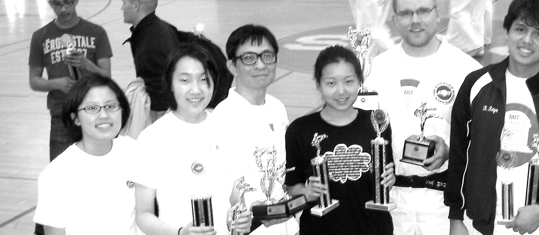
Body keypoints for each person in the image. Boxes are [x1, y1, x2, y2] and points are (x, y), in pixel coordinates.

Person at [446, 0, 539, 235]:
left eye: (538, 34)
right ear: (507, 32)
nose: (527, 40)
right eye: (520, 29)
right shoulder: (477, 85)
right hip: (482, 226)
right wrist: (456, 217)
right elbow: (459, 155)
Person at [366, 0, 481, 235]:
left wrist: (450, 150)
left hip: (442, 204)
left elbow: (483, 140)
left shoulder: (467, 71)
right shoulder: (375, 70)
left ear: (438, 14)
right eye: (405, 13)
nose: (415, 20)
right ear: (394, 19)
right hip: (388, 201)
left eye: (423, 11)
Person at [131, 44, 252, 235]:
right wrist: (180, 233)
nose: (196, 89)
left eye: (204, 79)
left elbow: (237, 197)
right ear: (170, 83)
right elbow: (144, 215)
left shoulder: (229, 130)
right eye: (185, 80)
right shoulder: (152, 137)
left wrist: (240, 216)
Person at [284, 45, 396, 235]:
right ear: (318, 84)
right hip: (320, 229)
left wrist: (389, 179)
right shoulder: (300, 130)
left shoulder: (376, 123)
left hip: (373, 228)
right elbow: (292, 185)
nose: (341, 91)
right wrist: (307, 192)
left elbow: (385, 177)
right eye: (331, 83)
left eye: (349, 81)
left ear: (360, 81)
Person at [212, 25, 297, 235]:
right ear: (232, 66)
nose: (260, 64)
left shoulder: (277, 107)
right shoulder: (223, 117)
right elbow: (221, 184)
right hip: (250, 228)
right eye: (249, 58)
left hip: (285, 225)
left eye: (267, 56)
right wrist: (253, 213)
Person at [33, 74, 138, 235]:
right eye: (92, 108)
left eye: (110, 106)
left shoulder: (133, 151)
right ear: (76, 118)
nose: (104, 115)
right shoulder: (55, 175)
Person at [28, 0, 112, 161]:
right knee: (59, 174)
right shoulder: (40, 37)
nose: (63, 9)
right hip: (61, 113)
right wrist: (57, 83)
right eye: (57, 4)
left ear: (76, 0)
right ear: (50, 4)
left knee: (98, 169)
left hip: (94, 111)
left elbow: (107, 76)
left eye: (68, 2)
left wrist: (87, 65)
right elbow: (34, 80)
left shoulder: (96, 32)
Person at [121, 0, 181, 122]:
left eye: (124, 3)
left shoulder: (150, 42)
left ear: (135, 6)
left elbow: (161, 97)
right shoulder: (163, 28)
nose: (122, 8)